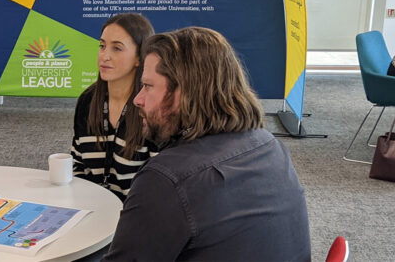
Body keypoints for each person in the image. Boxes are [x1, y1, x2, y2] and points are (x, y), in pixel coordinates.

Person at [103, 27, 311, 261]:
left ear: (185, 93)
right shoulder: (270, 146)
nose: (137, 99)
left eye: (148, 86)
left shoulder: (166, 181)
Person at [71, 13, 157, 201]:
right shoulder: (88, 100)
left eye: (117, 48)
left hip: (137, 217)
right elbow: (77, 164)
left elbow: (160, 182)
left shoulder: (151, 105)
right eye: (102, 46)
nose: (105, 56)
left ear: (139, 58)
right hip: (91, 210)